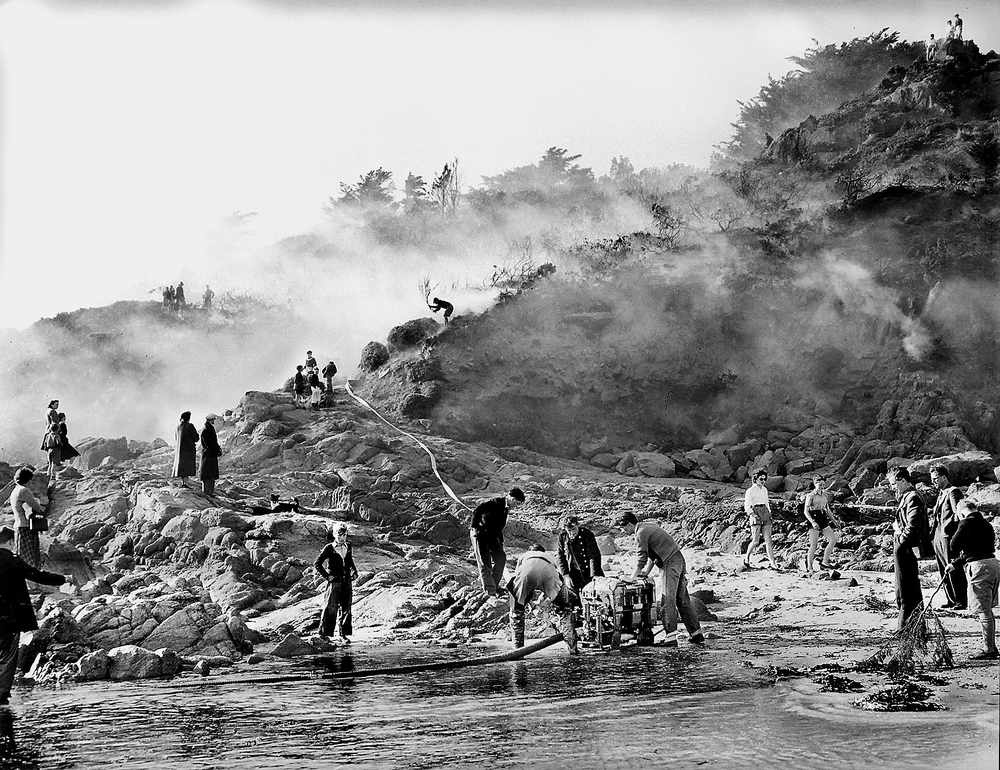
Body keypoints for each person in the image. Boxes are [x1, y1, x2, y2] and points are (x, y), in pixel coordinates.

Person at [0, 531, 69, 705]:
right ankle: (1, 695)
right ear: (9, 542)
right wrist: (62, 579)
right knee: (8, 656)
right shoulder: (11, 558)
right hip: (9, 617)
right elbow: (36, 575)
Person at [616, 512, 704, 647]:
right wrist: (646, 572)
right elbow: (653, 555)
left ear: (628, 524)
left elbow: (642, 558)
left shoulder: (640, 533)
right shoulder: (647, 526)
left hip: (669, 563)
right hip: (678, 558)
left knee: (667, 600)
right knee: (682, 599)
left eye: (623, 528)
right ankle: (696, 633)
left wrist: (632, 578)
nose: (623, 531)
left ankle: (670, 638)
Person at [946, 501, 998, 660]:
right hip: (993, 564)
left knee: (983, 611)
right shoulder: (987, 525)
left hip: (979, 568)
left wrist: (959, 523)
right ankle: (990, 646)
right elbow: (977, 549)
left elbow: (953, 546)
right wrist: (955, 564)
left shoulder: (965, 523)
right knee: (987, 609)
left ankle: (989, 649)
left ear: (961, 512)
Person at [506, 545, 578, 653]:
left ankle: (517, 651)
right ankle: (572, 649)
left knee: (517, 612)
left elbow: (517, 577)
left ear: (530, 551)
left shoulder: (524, 556)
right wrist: (560, 600)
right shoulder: (548, 556)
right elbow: (559, 580)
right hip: (549, 572)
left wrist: (526, 601)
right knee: (564, 611)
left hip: (526, 573)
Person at [888, 467, 930, 632]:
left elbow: (913, 526)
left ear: (903, 480)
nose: (892, 487)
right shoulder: (908, 496)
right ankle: (916, 627)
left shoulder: (912, 497)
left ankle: (906, 629)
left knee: (906, 590)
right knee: (908, 588)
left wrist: (900, 541)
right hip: (906, 548)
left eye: (893, 483)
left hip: (906, 549)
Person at [470, 488, 524, 597]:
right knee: (485, 564)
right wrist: (475, 528)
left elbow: (498, 527)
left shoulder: (505, 509)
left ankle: (494, 585)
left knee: (501, 559)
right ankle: (490, 591)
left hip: (492, 537)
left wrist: (500, 542)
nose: (516, 506)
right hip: (480, 535)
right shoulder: (495, 502)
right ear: (510, 497)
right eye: (516, 503)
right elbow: (477, 511)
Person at [930, 465, 966, 610]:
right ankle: (950, 599)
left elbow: (959, 513)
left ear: (944, 477)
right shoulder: (941, 493)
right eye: (932, 480)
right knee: (942, 568)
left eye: (935, 479)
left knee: (953, 568)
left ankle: (961, 600)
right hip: (938, 537)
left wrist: (957, 534)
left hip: (949, 536)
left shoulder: (953, 492)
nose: (933, 482)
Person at [315, 523, 358, 642]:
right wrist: (327, 577)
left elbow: (349, 560)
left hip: (346, 581)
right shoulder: (329, 548)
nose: (342, 538)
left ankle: (343, 634)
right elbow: (317, 564)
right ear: (334, 535)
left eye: (344, 535)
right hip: (334, 582)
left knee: (346, 607)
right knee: (330, 607)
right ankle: (324, 634)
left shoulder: (348, 545)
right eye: (340, 535)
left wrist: (354, 571)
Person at [8, 468, 46, 569]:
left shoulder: (15, 490)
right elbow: (36, 507)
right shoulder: (24, 490)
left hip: (19, 526)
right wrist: (41, 503)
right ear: (28, 480)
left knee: (22, 556)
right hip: (26, 528)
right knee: (30, 560)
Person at [803, 477, 842, 572]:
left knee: (833, 539)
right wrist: (812, 522)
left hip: (822, 517)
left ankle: (825, 562)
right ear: (815, 484)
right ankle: (809, 567)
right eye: (820, 484)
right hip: (814, 517)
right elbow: (806, 511)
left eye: (823, 485)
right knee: (814, 545)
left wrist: (835, 521)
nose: (822, 486)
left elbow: (827, 510)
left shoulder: (824, 495)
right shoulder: (810, 495)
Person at [556, 515, 604, 592]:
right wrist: (566, 575)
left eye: (574, 529)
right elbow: (560, 557)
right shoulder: (563, 537)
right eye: (569, 530)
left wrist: (595, 575)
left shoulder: (587, 534)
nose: (572, 532)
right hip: (573, 574)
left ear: (578, 525)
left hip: (589, 571)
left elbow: (594, 556)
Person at [742, 470, 778, 570]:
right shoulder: (750, 490)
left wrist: (769, 513)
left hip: (765, 512)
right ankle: (746, 558)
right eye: (761, 479)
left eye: (765, 479)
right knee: (755, 540)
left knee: (768, 540)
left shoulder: (765, 490)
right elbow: (747, 505)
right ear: (756, 479)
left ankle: (773, 562)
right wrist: (752, 514)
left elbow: (767, 503)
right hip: (755, 512)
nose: (763, 481)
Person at [171, 412, 199, 486]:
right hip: (188, 450)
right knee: (187, 468)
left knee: (182, 467)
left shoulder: (177, 427)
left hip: (179, 451)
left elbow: (176, 438)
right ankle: (185, 483)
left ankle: (183, 482)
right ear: (188, 418)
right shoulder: (190, 426)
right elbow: (196, 438)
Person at [199, 414, 222, 496]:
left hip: (211, 455)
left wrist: (217, 449)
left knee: (211, 475)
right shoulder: (205, 430)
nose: (213, 421)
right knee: (207, 475)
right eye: (212, 420)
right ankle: (206, 493)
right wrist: (215, 450)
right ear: (209, 420)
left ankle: (210, 492)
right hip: (208, 455)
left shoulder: (209, 428)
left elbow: (214, 442)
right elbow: (207, 444)